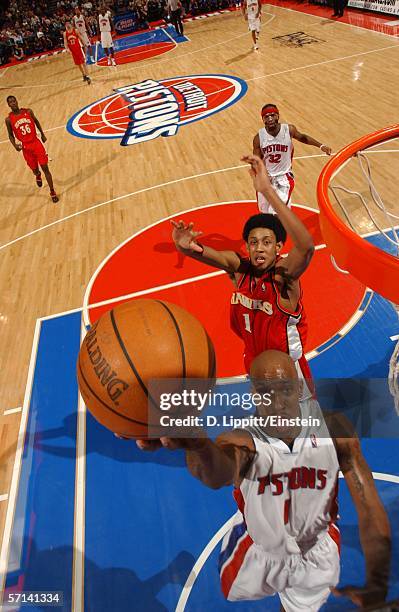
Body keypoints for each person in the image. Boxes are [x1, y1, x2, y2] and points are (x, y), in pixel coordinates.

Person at [137, 349, 391, 611]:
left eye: (286, 390)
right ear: (253, 394)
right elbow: (218, 473)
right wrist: (196, 443)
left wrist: (378, 582)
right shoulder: (242, 440)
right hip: (257, 551)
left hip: (315, 548)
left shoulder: (334, 431)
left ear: (300, 388)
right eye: (267, 392)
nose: (278, 403)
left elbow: (370, 508)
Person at [172, 155, 314, 392]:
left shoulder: (283, 277)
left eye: (267, 242)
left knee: (304, 426)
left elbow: (306, 247)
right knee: (269, 424)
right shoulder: (239, 269)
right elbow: (204, 254)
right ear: (247, 246)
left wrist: (267, 191)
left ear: (278, 247)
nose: (259, 247)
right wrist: (184, 246)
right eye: (253, 242)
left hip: (287, 371)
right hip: (255, 366)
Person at [253, 103, 332, 214]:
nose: (270, 118)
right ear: (263, 119)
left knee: (275, 213)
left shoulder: (288, 130)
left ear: (277, 116)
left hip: (283, 178)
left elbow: (303, 138)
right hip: (266, 179)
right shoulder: (258, 138)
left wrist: (321, 146)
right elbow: (256, 161)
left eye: (272, 115)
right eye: (266, 116)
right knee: (264, 213)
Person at [5, 95, 59, 203]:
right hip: (26, 148)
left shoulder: (28, 112)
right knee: (35, 170)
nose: (13, 103)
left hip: (36, 143)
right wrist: (15, 145)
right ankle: (37, 175)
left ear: (17, 101)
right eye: (10, 102)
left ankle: (52, 192)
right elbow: (10, 135)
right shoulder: (8, 120)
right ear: (9, 105)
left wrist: (42, 134)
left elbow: (36, 122)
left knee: (46, 168)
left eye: (14, 100)